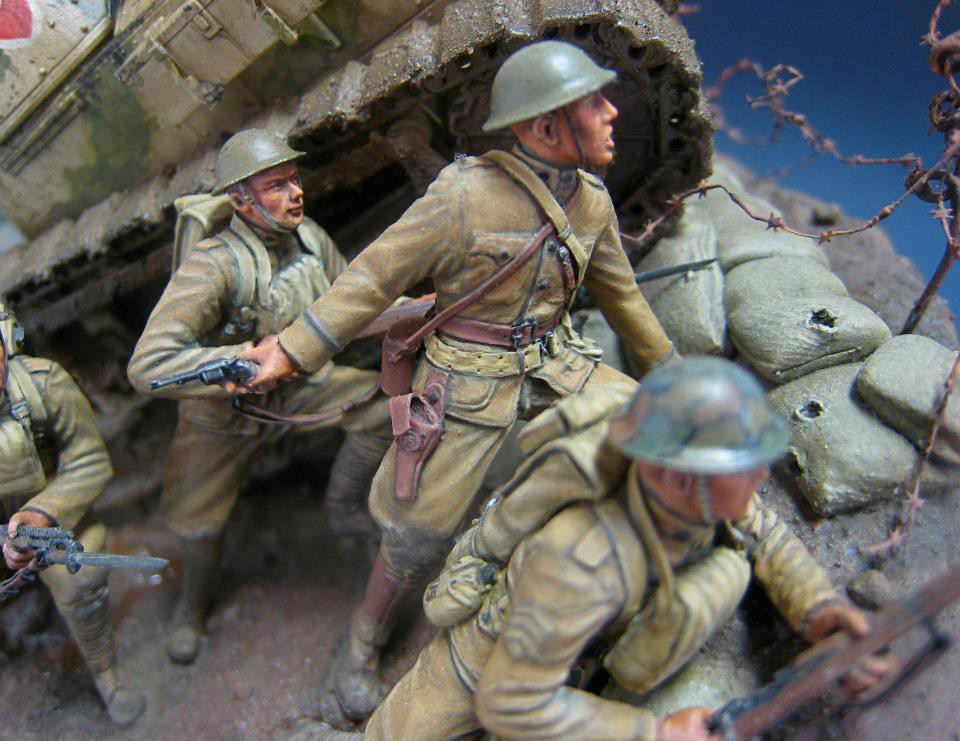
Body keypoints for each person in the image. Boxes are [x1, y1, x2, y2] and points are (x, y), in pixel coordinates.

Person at [237, 40, 677, 723]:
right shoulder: (463, 196)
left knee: (651, 429)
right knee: (417, 532)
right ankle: (359, 646)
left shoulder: (590, 200)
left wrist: (675, 378)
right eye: (593, 103)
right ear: (546, 126)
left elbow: (623, 298)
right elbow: (372, 278)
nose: (612, 113)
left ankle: (593, 573)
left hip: (555, 360)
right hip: (468, 381)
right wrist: (292, 351)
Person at [331, 356, 890, 740]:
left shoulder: (697, 498)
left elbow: (765, 536)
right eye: (744, 466)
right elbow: (511, 701)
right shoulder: (580, 562)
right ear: (678, 479)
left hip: (580, 651)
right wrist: (654, 732)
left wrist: (817, 610)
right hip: (492, 660)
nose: (761, 475)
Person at [127, 129, 393, 665]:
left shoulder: (309, 237)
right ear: (241, 201)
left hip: (301, 387)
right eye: (277, 186)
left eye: (295, 179)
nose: (296, 193)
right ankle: (192, 607)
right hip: (221, 416)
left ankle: (343, 510)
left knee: (387, 412)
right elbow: (147, 365)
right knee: (199, 524)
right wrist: (241, 361)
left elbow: (352, 298)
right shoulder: (215, 265)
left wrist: (413, 308)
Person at [0, 303, 146, 725]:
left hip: (50, 505)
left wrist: (42, 514)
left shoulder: (45, 385)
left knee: (80, 578)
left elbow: (90, 460)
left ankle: (106, 673)